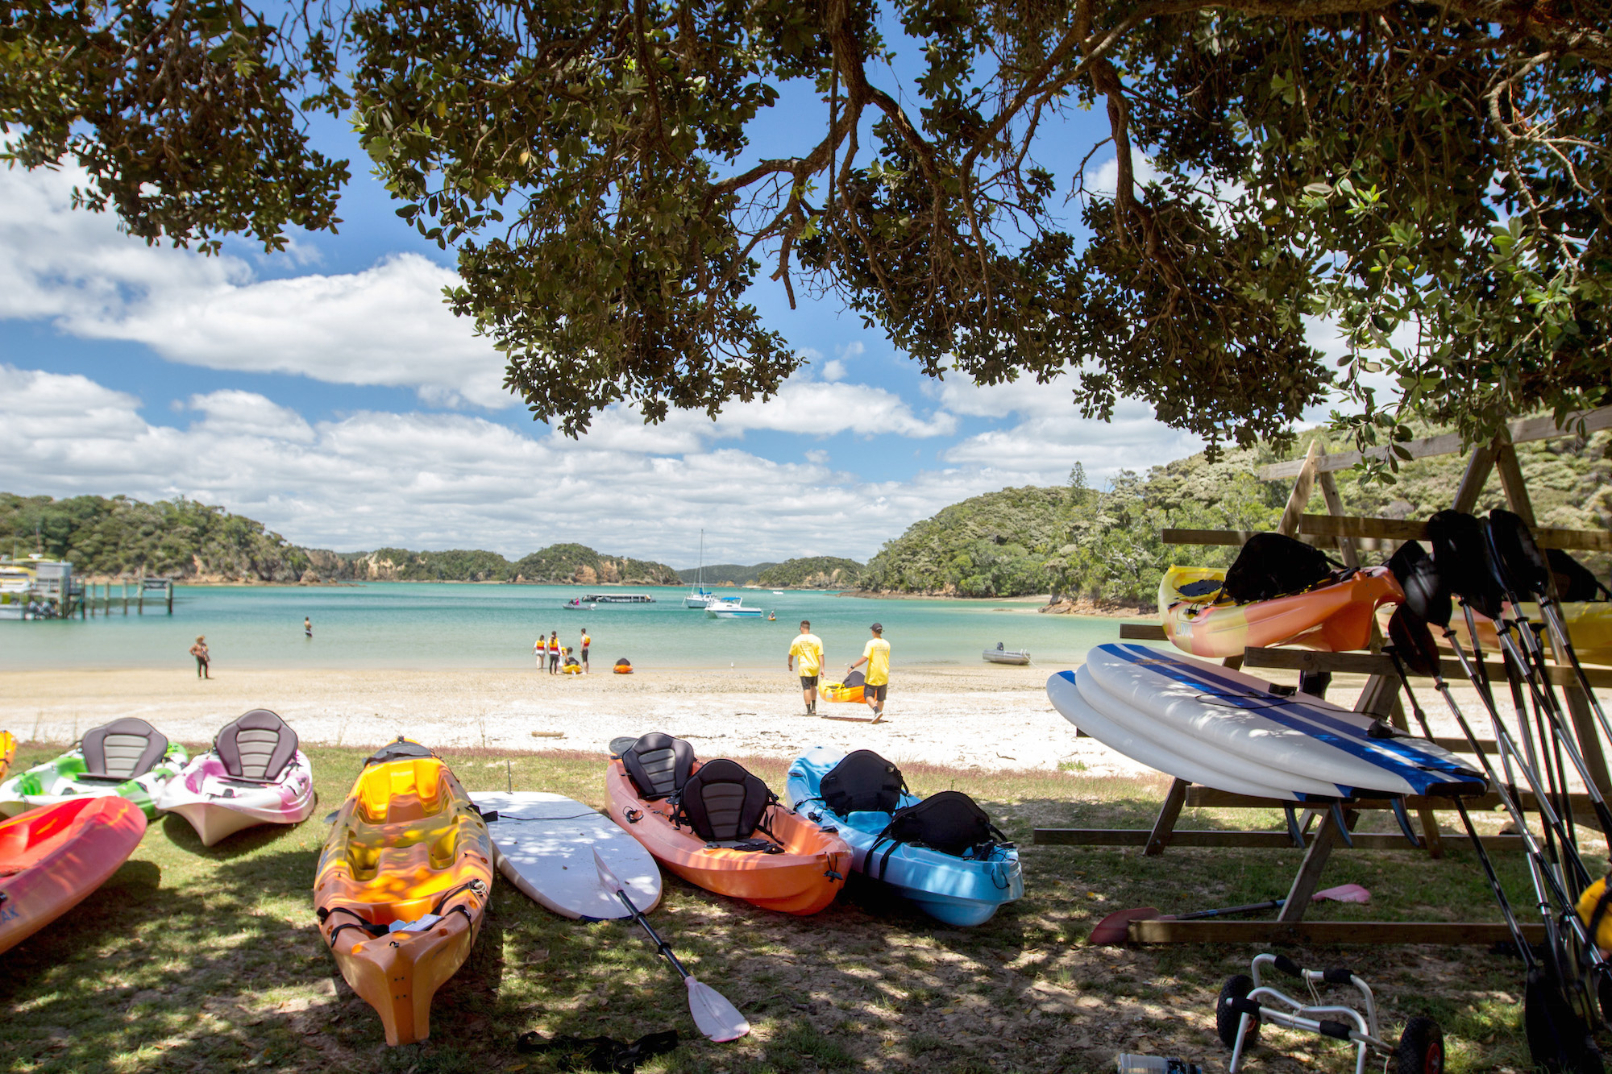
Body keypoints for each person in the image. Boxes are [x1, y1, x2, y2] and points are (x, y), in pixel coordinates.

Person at [847, 622, 890, 723]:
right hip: (884, 673)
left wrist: (853, 666)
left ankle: (876, 711)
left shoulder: (871, 643)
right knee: (880, 698)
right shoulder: (887, 644)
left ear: (873, 632)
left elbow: (864, 658)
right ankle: (878, 715)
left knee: (867, 695)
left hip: (873, 674)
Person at [787, 620, 824, 716]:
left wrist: (790, 665)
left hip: (804, 667)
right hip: (815, 667)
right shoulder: (817, 639)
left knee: (806, 688)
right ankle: (814, 707)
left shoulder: (797, 640)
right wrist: (822, 668)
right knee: (813, 686)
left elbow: (791, 655)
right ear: (808, 628)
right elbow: (821, 655)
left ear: (802, 628)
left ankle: (808, 710)